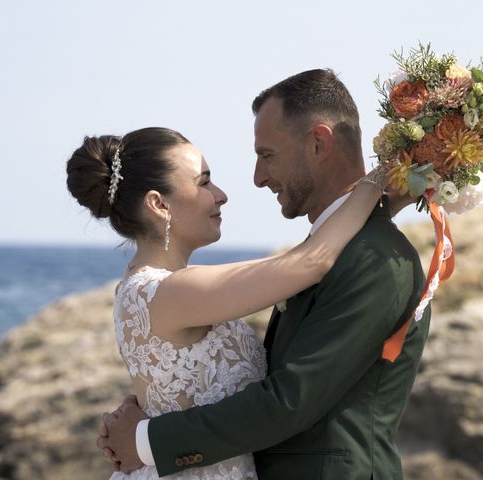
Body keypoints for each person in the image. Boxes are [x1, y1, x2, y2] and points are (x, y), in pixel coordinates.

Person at [97, 69, 430, 480]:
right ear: (158, 205)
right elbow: (310, 262)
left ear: (319, 143)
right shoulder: (180, 288)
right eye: (204, 182)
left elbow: (291, 400)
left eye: (267, 155)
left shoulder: (374, 257)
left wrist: (149, 438)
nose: (255, 179)